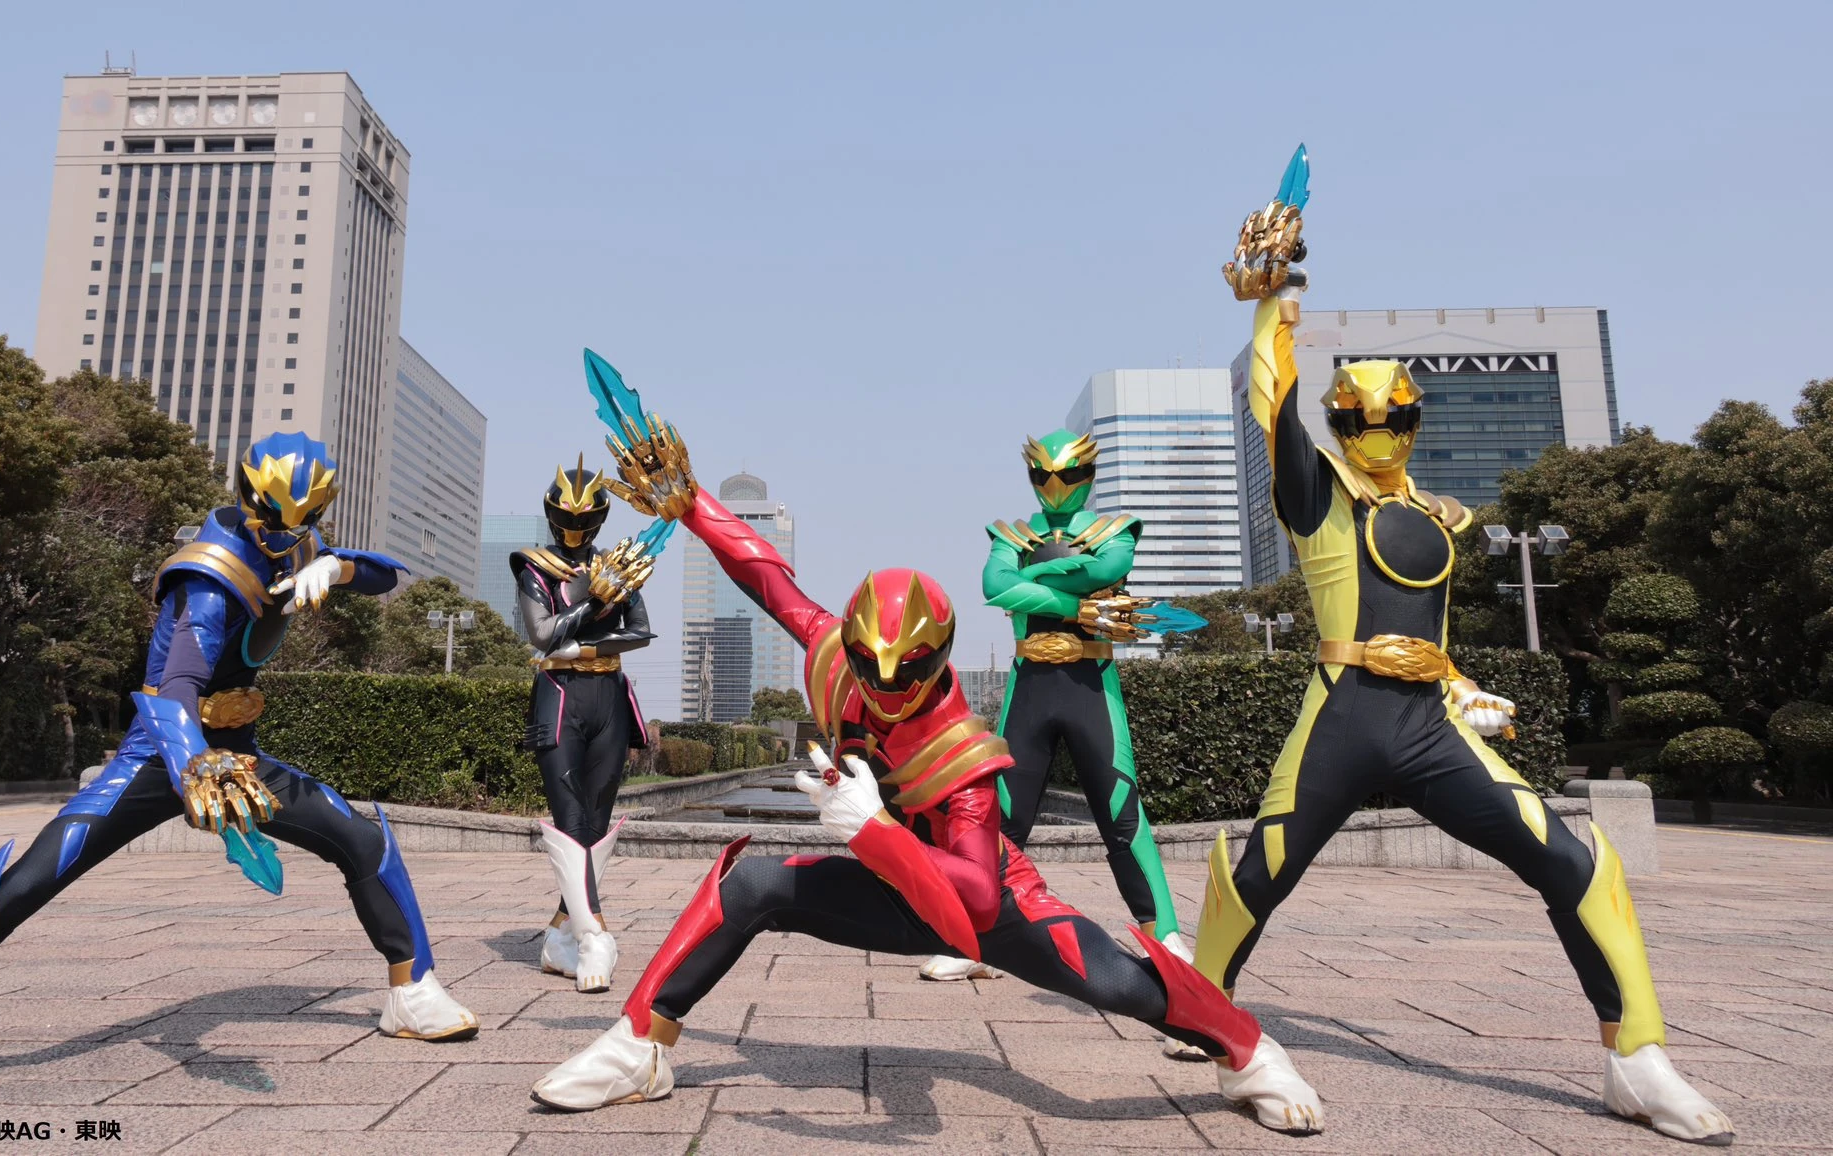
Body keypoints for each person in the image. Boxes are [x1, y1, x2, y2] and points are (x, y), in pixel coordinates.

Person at [527, 403, 1325, 1135]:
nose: (885, 688)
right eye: (870, 666)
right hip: (892, 881)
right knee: (748, 886)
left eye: (906, 671)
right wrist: (692, 502)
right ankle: (639, 1044)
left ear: (937, 659)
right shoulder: (838, 660)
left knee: (1120, 982)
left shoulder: (959, 752)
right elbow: (768, 579)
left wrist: (873, 830)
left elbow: (969, 906)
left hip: (986, 905)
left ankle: (1249, 1049)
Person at [1208, 187, 1733, 1144]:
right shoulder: (1319, 498)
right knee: (1263, 870)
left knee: (1573, 861)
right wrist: (1273, 302)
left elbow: (1433, 630)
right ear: (1340, 425)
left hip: (1425, 722)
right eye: (1357, 420)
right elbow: (1273, 405)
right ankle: (1203, 1003)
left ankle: (1638, 1056)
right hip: (1343, 714)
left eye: (1392, 418)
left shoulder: (1442, 516)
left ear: (1414, 419)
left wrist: (1458, 684)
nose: (1376, 433)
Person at [0, 433, 478, 1104]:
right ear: (249, 496)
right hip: (161, 754)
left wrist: (336, 568)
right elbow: (178, 686)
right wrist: (196, 765)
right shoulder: (209, 572)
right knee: (35, 877)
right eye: (275, 519)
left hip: (236, 753)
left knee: (361, 840)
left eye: (302, 522)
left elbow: (384, 575)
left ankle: (412, 989)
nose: (286, 536)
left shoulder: (297, 544)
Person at [919, 432, 1203, 1033]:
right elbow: (995, 587)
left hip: (1091, 683)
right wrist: (1079, 604)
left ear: (1088, 475)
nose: (1055, 488)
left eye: (1068, 475)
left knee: (1120, 811)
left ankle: (1167, 935)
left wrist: (1039, 581)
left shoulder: (1114, 530)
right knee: (999, 816)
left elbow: (1107, 569)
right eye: (1043, 476)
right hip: (1030, 684)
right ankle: (970, 937)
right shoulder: (1010, 534)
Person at [513, 455, 656, 993]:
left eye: (583, 519)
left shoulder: (617, 566)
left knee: (596, 819)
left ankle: (560, 934)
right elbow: (541, 633)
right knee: (570, 814)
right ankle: (595, 933)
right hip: (559, 696)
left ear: (598, 520)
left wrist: (588, 643)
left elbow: (641, 631)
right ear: (552, 515)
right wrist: (593, 601)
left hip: (608, 695)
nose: (573, 528)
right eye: (565, 518)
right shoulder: (534, 567)